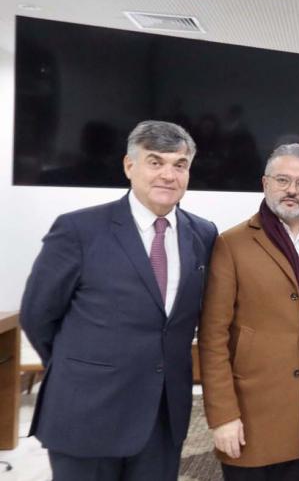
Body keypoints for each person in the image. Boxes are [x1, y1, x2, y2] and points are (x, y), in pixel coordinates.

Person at [20, 120, 218, 480]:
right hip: (87, 412)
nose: (168, 175)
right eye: (155, 162)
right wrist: (82, 368)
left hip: (163, 417)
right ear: (130, 166)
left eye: (180, 164)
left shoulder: (202, 234)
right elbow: (38, 316)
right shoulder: (78, 230)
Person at [198, 144, 299, 479]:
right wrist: (222, 416)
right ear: (265, 183)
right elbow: (213, 337)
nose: (292, 190)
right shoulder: (231, 244)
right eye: (283, 180)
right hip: (250, 413)